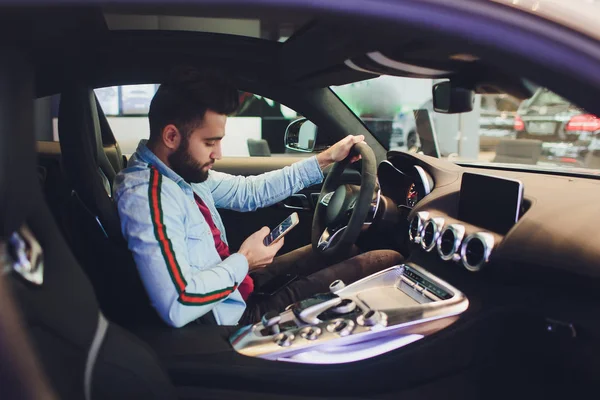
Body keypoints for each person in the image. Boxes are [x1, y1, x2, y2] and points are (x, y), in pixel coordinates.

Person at [114, 68, 402, 327]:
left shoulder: (178, 174)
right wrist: (245, 260)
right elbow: (179, 303)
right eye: (209, 143)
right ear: (171, 137)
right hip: (234, 319)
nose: (219, 154)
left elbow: (248, 192)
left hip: (236, 286)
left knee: (343, 250)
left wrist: (325, 160)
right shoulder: (146, 196)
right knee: (386, 259)